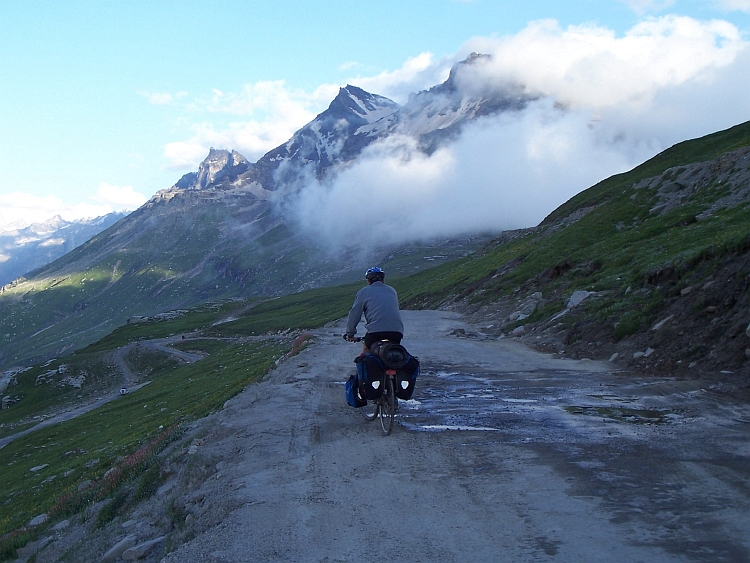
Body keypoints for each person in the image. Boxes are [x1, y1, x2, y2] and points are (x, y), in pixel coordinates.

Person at [344, 267, 404, 353]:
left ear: (368, 280)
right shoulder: (392, 290)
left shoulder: (364, 292)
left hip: (375, 332)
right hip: (397, 332)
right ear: (383, 280)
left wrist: (350, 334)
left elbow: (355, 314)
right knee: (394, 353)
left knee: (366, 353)